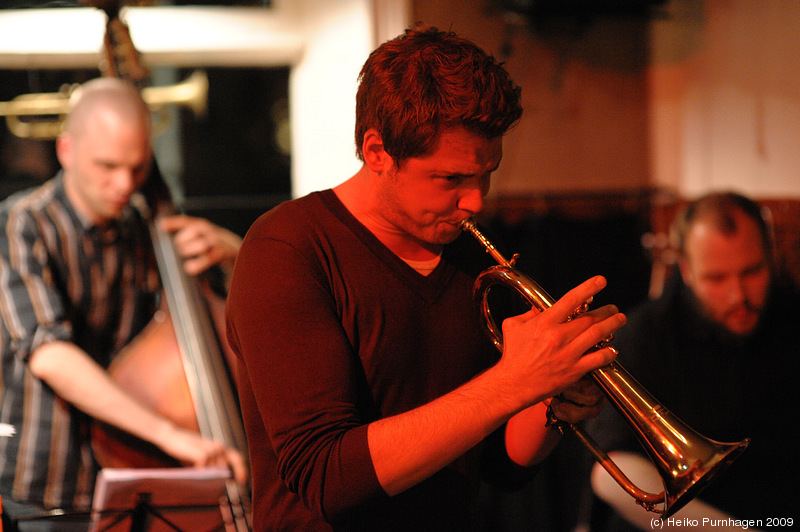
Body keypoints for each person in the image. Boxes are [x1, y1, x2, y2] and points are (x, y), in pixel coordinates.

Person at [225, 25, 627, 530]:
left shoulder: (471, 258)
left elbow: (499, 466)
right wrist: (511, 382)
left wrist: (550, 398)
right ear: (377, 152)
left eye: (487, 174)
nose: (475, 202)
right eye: (450, 179)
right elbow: (325, 476)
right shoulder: (287, 250)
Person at [0, 77, 248, 531]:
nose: (123, 184)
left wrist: (234, 253)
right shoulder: (22, 224)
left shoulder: (140, 225)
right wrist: (174, 436)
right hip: (42, 482)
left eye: (137, 169)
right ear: (66, 150)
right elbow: (49, 354)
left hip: (127, 476)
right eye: (107, 166)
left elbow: (229, 313)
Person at [588, 192, 800, 530]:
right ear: (686, 270)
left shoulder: (791, 315)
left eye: (753, 271)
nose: (738, 296)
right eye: (716, 278)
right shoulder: (644, 337)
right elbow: (613, 471)